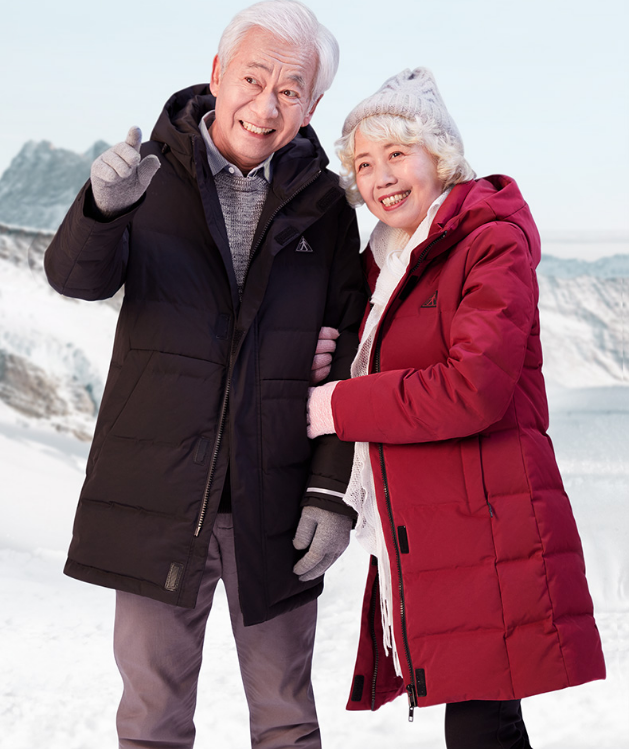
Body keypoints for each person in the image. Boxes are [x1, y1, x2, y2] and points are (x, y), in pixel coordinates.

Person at [44, 2, 366, 747]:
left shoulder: (326, 208)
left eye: (291, 91)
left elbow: (349, 358)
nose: (267, 104)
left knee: (287, 720)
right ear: (218, 74)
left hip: (276, 502)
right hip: (156, 496)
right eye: (253, 78)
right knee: (151, 721)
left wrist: (330, 490)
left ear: (313, 106)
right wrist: (100, 209)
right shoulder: (147, 176)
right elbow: (74, 278)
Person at [306, 67, 606, 749]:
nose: (380, 176)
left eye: (397, 154)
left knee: (482, 725)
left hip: (489, 527)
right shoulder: (384, 262)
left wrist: (338, 405)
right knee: (482, 723)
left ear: (438, 155)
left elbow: (473, 387)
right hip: (444, 531)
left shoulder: (487, 241)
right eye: (364, 162)